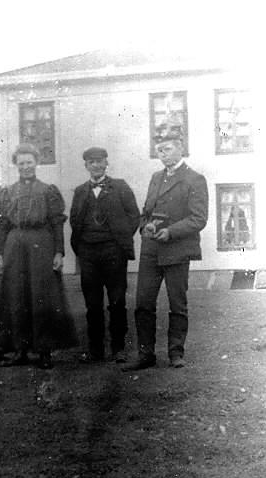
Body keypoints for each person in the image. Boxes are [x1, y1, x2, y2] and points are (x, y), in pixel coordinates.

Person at [0, 143, 78, 369]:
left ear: (36, 163)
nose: (25, 166)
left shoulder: (48, 190)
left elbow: (56, 223)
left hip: (41, 244)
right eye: (21, 163)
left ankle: (44, 350)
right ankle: (20, 350)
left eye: (29, 162)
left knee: (42, 296)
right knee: (15, 296)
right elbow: (2, 226)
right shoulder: (7, 192)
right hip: (14, 245)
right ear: (16, 165)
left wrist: (59, 252)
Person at [127, 123, 208, 371]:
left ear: (180, 147)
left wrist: (170, 232)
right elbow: (146, 212)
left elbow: (198, 218)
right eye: (159, 150)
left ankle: (176, 353)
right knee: (143, 304)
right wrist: (147, 226)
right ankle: (145, 354)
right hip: (151, 250)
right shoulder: (155, 178)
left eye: (168, 148)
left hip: (177, 250)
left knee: (177, 304)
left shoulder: (195, 179)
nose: (163, 154)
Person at [70, 147, 140, 364]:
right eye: (91, 162)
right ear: (86, 166)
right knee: (92, 303)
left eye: (100, 161)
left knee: (117, 301)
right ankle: (96, 349)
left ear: (106, 163)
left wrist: (120, 239)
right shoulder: (80, 191)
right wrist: (82, 248)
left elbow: (134, 215)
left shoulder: (120, 186)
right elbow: (74, 220)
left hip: (113, 252)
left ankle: (118, 348)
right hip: (88, 253)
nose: (96, 165)